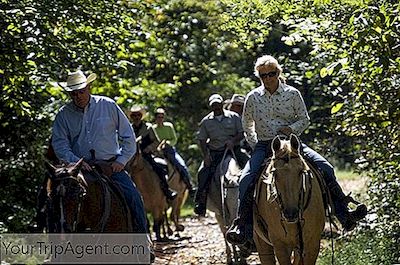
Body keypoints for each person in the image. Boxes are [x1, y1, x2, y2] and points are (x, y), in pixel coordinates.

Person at [226, 55, 368, 245]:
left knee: (325, 167)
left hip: (292, 144)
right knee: (245, 179)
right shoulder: (253, 97)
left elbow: (304, 119)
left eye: (272, 74)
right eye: (263, 75)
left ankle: (344, 214)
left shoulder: (292, 93)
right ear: (259, 77)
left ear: (278, 73)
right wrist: (255, 144)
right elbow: (247, 124)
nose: (268, 78)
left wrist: (291, 129)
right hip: (265, 144)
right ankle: (242, 226)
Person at [50, 70, 148, 234]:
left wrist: (121, 161)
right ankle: (55, 248)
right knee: (57, 198)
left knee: (134, 197)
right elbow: (59, 145)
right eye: (74, 94)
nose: (78, 96)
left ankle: (142, 242)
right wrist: (75, 161)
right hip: (79, 169)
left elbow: (128, 136)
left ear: (89, 87)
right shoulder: (63, 115)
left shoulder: (108, 105)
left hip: (110, 166)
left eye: (81, 91)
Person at [194, 94, 249, 216]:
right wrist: (206, 156)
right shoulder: (206, 121)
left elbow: (241, 133)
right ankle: (200, 202)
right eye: (214, 105)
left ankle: (256, 194)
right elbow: (202, 140)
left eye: (218, 105)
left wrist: (233, 141)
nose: (216, 107)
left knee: (250, 165)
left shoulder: (233, 117)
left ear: (222, 104)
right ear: (211, 107)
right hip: (216, 152)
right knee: (202, 172)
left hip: (234, 149)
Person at [128, 105, 177, 201]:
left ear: (141, 116)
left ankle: (167, 190)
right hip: (131, 156)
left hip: (146, 155)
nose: (136, 117)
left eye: (138, 115)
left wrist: (148, 148)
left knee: (159, 169)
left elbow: (156, 141)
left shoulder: (148, 128)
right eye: (134, 116)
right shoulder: (129, 128)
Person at [152, 108, 195, 194]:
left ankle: (189, 186)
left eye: (162, 117)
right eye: (158, 117)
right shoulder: (152, 128)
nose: (160, 119)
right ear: (155, 118)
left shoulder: (169, 126)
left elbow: (174, 139)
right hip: (157, 152)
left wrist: (167, 143)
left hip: (169, 150)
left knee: (181, 165)